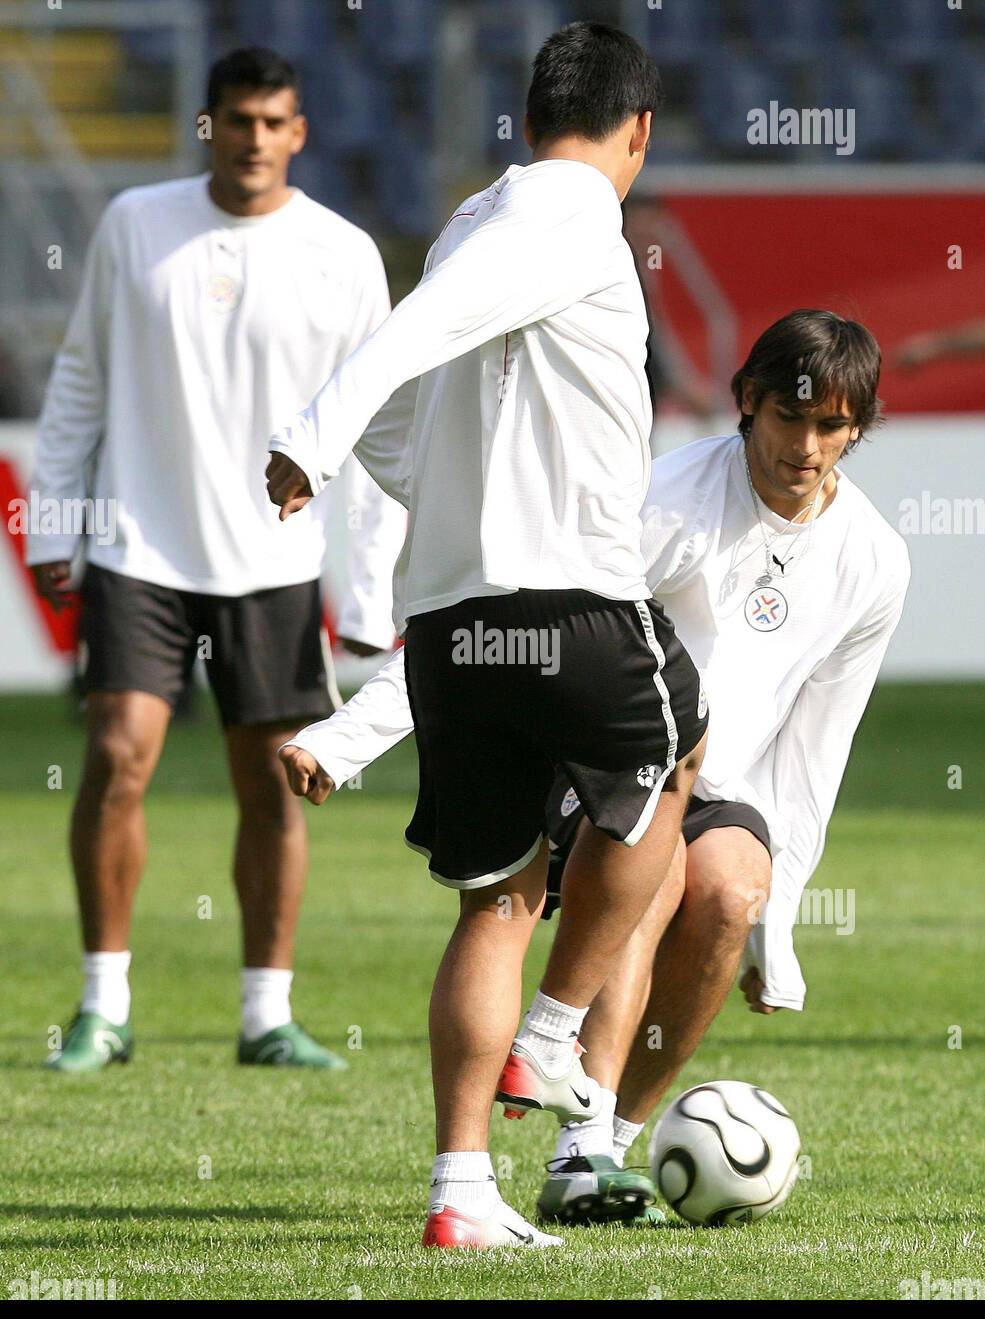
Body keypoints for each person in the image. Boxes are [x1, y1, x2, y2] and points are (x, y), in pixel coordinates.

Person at [279, 310, 911, 1228]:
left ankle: (602, 1142)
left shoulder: (877, 562)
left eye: (831, 426)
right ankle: (574, 1145)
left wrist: (781, 924)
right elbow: (505, 626)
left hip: (718, 788)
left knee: (730, 890)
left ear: (859, 429)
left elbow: (819, 751)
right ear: (744, 404)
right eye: (787, 417)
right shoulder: (669, 501)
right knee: (654, 856)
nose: (805, 446)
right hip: (589, 762)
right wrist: (348, 735)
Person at [267, 22, 707, 1249]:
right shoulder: (569, 220)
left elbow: (407, 417)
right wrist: (311, 431)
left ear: (525, 114)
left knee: (497, 900)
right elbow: (400, 353)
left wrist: (422, 489)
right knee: (678, 756)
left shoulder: (473, 217)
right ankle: (556, 1037)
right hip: (566, 600)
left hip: (450, 625)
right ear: (638, 131)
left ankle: (461, 1195)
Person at [27, 47, 403, 1073]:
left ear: (300, 133)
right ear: (209, 126)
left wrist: (368, 590)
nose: (253, 139)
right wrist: (54, 522)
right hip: (140, 547)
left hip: (276, 563)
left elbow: (375, 434)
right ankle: (105, 1005)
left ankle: (264, 1015)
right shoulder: (135, 226)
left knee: (276, 788)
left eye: (273, 122)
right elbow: (82, 384)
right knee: (114, 758)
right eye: (236, 120)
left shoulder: (342, 253)